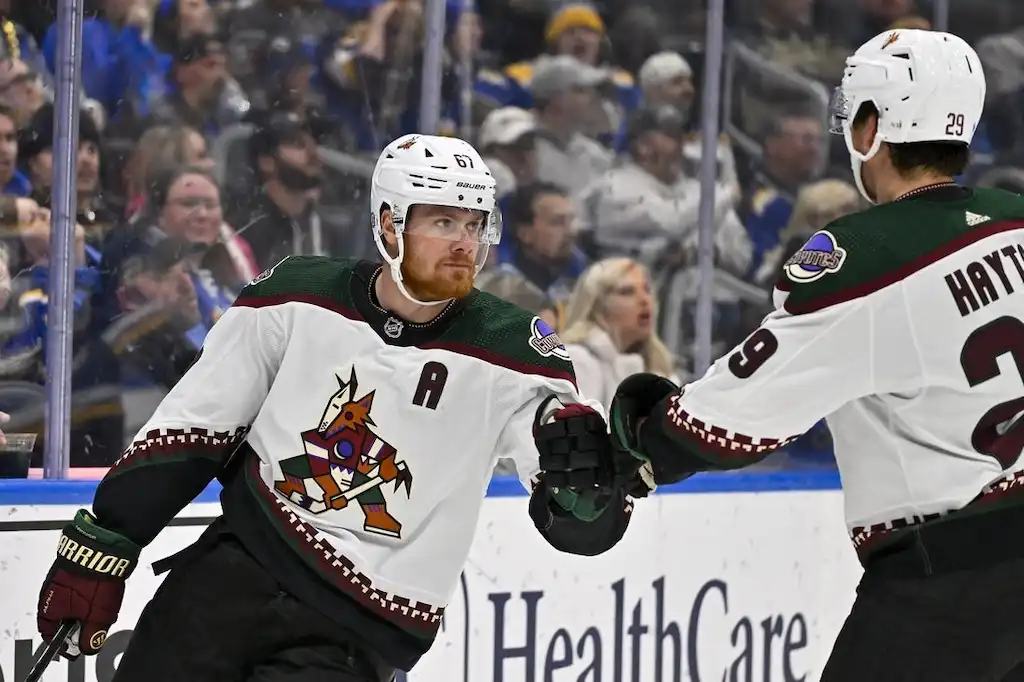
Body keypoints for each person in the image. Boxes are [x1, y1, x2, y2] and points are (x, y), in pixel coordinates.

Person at [33, 134, 640, 681]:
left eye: (475, 225)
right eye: (444, 222)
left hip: (352, 633)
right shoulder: (295, 295)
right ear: (389, 224)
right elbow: (193, 429)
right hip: (231, 577)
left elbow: (579, 517)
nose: (464, 244)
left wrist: (586, 494)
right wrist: (103, 546)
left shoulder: (517, 351)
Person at [544, 29, 1024, 682]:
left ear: (868, 130)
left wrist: (638, 449)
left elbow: (735, 420)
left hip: (950, 582)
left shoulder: (868, 257)